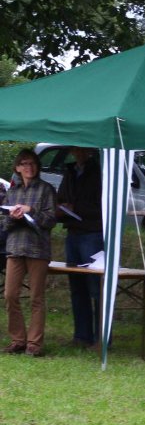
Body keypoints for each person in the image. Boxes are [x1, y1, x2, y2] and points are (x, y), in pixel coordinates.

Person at [3, 149, 58, 356]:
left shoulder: (46, 190)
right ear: (17, 168)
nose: (29, 167)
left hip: (37, 249)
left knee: (36, 297)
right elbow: (4, 224)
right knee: (10, 295)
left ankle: (34, 344)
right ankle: (18, 339)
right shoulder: (12, 192)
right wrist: (13, 217)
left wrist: (31, 211)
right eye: (24, 163)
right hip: (15, 248)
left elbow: (52, 220)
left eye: (33, 163)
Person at [54, 147, 104, 348]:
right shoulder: (70, 171)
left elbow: (104, 204)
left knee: (96, 286)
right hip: (73, 233)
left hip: (92, 232)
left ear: (90, 150)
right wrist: (61, 208)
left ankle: (101, 337)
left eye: (83, 149)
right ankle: (82, 336)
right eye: (76, 149)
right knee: (77, 287)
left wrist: (78, 209)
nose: (79, 152)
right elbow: (61, 198)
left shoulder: (100, 171)